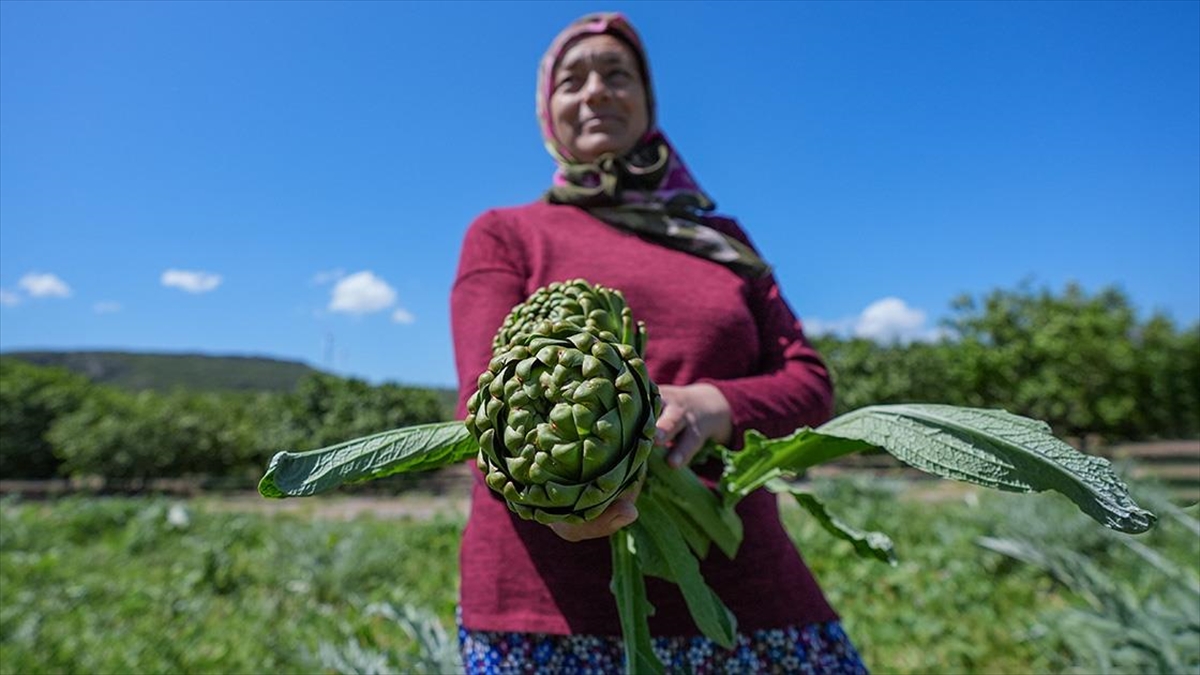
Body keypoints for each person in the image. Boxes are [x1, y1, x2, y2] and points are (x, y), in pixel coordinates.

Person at [450, 12, 868, 674]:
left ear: (647, 102)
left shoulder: (723, 242)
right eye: (572, 79)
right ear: (547, 108)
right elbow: (481, 405)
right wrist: (569, 493)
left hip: (751, 595)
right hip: (550, 609)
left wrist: (710, 405)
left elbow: (810, 382)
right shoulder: (506, 233)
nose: (595, 92)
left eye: (617, 75)